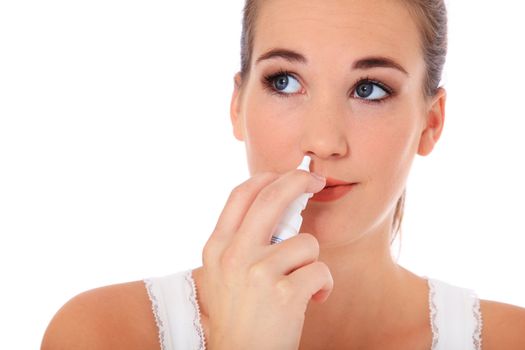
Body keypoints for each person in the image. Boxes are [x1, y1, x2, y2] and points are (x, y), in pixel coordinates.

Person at [41, 0, 525, 349]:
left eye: (370, 89)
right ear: (237, 105)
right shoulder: (102, 334)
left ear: (431, 122)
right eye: (285, 81)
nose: (323, 141)